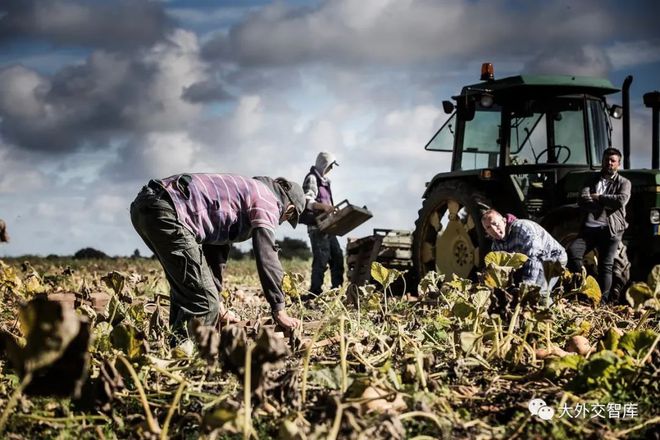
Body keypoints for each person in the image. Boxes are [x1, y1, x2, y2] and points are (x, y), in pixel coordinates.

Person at [130, 173, 305, 341]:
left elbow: (215, 252)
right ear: (289, 210)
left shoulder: (245, 192)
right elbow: (267, 254)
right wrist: (279, 309)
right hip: (168, 209)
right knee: (204, 302)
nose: (281, 221)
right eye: (287, 218)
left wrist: (218, 303)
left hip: (146, 206)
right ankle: (188, 357)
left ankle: (176, 345)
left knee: (190, 290)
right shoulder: (267, 200)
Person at [567, 148, 631, 302]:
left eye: (613, 161)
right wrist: (604, 204)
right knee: (573, 252)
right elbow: (582, 199)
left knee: (605, 265)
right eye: (607, 160)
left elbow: (621, 200)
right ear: (602, 161)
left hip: (610, 230)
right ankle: (583, 291)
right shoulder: (591, 180)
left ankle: (602, 302)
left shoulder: (624, 182)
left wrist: (599, 197)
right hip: (589, 229)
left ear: (618, 164)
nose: (609, 163)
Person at [481, 209, 567, 287]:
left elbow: (535, 257)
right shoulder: (496, 245)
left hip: (552, 258)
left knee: (539, 294)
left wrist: (527, 285)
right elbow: (495, 269)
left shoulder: (523, 228)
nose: (494, 229)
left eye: (495, 224)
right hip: (530, 264)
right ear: (486, 231)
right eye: (488, 227)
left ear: (504, 221)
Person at [301, 152, 344, 297]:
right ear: (324, 164)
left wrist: (332, 210)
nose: (331, 169)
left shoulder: (325, 181)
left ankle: (337, 290)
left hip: (328, 226)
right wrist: (324, 207)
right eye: (330, 166)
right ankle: (314, 292)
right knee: (321, 259)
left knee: (337, 257)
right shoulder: (312, 178)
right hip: (317, 226)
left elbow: (328, 202)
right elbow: (307, 200)